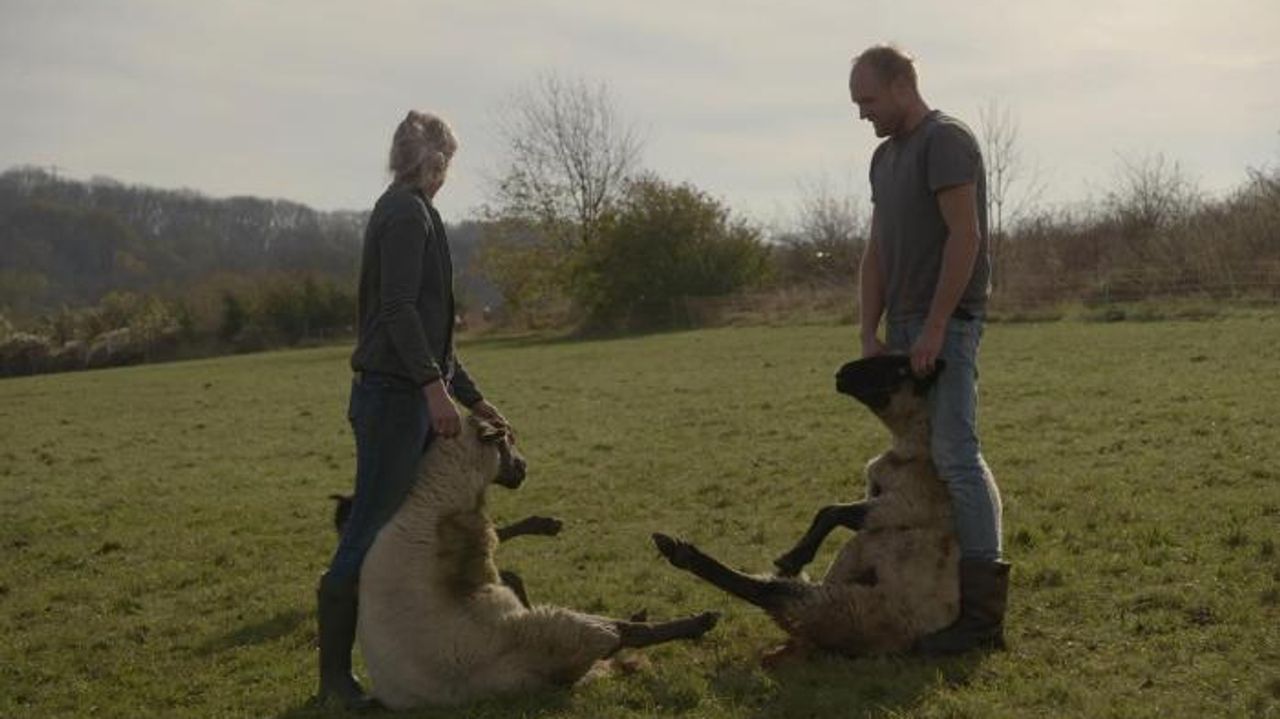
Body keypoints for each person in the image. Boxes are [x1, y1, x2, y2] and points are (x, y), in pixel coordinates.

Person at [316, 110, 509, 709]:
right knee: (367, 530)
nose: (448, 172)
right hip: (393, 399)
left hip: (410, 393)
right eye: (446, 160)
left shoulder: (417, 212)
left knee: (401, 532)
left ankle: (409, 655)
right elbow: (398, 311)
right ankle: (333, 685)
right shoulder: (403, 212)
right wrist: (432, 390)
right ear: (435, 161)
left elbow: (433, 332)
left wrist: (472, 396)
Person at [849, 45, 1010, 655]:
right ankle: (932, 585)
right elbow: (876, 252)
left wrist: (939, 326)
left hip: (951, 321)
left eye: (867, 100)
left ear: (899, 85)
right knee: (921, 454)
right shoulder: (882, 160)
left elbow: (965, 238)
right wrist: (870, 330)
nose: (862, 113)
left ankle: (982, 619)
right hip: (907, 321)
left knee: (955, 453)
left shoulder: (946, 140)